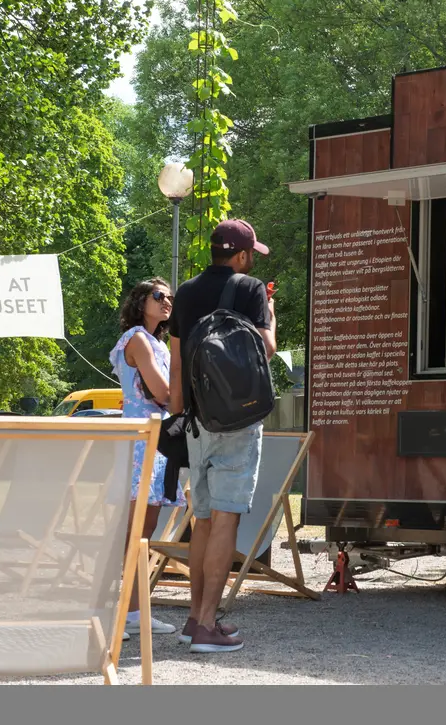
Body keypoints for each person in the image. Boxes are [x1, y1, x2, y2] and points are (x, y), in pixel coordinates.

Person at [169, 219, 276, 653]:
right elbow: (265, 348)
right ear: (243, 255)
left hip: (195, 420)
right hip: (237, 420)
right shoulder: (250, 289)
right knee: (227, 519)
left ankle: (195, 619)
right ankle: (208, 625)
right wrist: (271, 315)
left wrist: (178, 419)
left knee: (204, 520)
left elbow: (177, 365)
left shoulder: (187, 291)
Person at [109, 277, 183, 640]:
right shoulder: (137, 339)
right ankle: (118, 610)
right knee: (134, 529)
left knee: (146, 530)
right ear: (140, 301)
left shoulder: (158, 342)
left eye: (170, 297)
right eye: (158, 296)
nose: (166, 301)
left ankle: (135, 610)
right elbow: (164, 393)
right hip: (141, 441)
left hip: (156, 441)